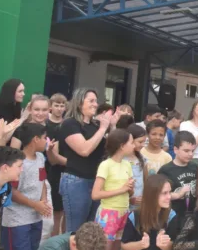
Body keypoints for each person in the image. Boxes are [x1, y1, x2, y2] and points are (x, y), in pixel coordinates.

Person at [2, 124, 52, 250]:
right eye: (44, 138)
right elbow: (11, 192)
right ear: (35, 139)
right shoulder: (18, 162)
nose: (46, 141)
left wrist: (43, 200)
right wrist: (35, 204)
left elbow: (42, 180)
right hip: (17, 221)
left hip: (35, 218)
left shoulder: (40, 157)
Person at [59, 88, 118, 234]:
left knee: (92, 230)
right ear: (79, 103)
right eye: (91, 101)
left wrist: (112, 126)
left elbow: (113, 149)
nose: (95, 104)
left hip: (96, 180)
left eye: (96, 101)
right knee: (76, 230)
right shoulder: (70, 124)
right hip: (76, 180)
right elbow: (84, 150)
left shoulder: (96, 125)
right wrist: (103, 129)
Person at [120, 174, 178, 250]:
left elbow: (172, 246)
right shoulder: (135, 216)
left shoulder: (171, 215)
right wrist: (140, 245)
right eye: (164, 193)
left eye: (169, 192)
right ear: (152, 195)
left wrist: (164, 245)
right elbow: (124, 246)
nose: (169, 197)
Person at [90, 128, 134, 250]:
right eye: (131, 142)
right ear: (122, 145)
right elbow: (95, 194)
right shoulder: (106, 165)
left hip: (123, 213)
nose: (133, 145)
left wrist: (130, 189)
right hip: (108, 214)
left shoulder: (127, 164)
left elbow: (129, 193)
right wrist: (122, 189)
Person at [157, 130, 198, 225]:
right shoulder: (166, 170)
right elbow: (158, 195)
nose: (190, 154)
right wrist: (178, 194)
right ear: (176, 150)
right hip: (173, 217)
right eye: (186, 151)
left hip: (193, 217)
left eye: (192, 151)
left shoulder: (195, 167)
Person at [47, 94, 67, 236]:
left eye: (62, 106)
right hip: (49, 168)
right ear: (51, 107)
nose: (59, 109)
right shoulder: (46, 124)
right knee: (53, 210)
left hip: (63, 169)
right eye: (56, 105)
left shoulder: (66, 124)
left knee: (63, 209)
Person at [124, 124, 147, 213]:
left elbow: (145, 178)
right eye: (140, 142)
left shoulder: (141, 158)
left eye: (144, 142)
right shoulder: (122, 159)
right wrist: (129, 199)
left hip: (139, 203)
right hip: (125, 203)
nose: (143, 145)